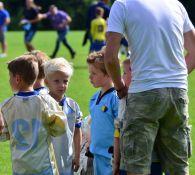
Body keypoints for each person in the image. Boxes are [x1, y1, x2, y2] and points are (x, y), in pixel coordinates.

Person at [104, 0, 195, 174]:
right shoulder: (175, 4)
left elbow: (110, 57)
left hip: (144, 91)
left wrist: (120, 86)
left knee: (137, 167)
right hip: (178, 92)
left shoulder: (122, 4)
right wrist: (177, 76)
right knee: (178, 166)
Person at [0, 55, 68, 175]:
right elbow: (60, 129)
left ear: (17, 79)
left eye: (10, 77)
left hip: (20, 168)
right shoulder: (46, 101)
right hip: (44, 166)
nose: (9, 80)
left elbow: (3, 135)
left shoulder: (6, 106)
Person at [44, 57, 82, 175]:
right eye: (56, 81)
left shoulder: (73, 106)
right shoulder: (41, 104)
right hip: (45, 161)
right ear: (46, 82)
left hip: (67, 160)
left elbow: (77, 132)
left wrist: (77, 156)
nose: (62, 85)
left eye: (65, 81)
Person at [87, 51, 119, 175]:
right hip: (96, 154)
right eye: (90, 73)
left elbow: (120, 129)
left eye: (94, 73)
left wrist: (117, 156)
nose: (90, 77)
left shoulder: (115, 98)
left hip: (110, 156)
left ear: (109, 74)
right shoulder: (94, 98)